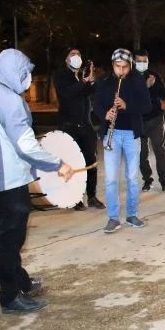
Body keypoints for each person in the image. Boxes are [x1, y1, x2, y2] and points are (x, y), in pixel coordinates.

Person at [0, 48, 73, 313]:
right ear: (16, 72)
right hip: (7, 182)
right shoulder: (9, 100)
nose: (28, 79)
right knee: (9, 241)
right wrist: (58, 164)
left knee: (6, 235)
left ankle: (21, 281)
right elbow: (26, 147)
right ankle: (10, 297)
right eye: (26, 73)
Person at [94, 48, 151, 233]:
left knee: (132, 177)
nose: (121, 71)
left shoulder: (137, 81)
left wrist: (127, 106)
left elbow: (146, 106)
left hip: (131, 134)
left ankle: (132, 214)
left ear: (130, 65)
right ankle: (113, 218)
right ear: (113, 66)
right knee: (111, 179)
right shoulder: (104, 82)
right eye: (118, 67)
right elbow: (96, 106)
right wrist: (105, 114)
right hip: (112, 134)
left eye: (125, 67)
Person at [53, 47, 105, 211]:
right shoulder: (62, 76)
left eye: (78, 54)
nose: (76, 57)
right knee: (74, 164)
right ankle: (76, 198)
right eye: (72, 54)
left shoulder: (80, 76)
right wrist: (83, 83)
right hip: (69, 127)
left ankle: (92, 196)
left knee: (91, 162)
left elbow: (93, 92)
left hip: (86, 125)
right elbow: (66, 94)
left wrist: (91, 80)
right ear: (66, 59)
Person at [135, 49, 165, 192]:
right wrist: (146, 86)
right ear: (133, 61)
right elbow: (131, 97)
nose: (142, 64)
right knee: (141, 153)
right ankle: (147, 179)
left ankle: (164, 179)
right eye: (139, 61)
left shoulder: (153, 75)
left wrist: (154, 85)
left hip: (155, 119)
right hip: (138, 121)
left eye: (145, 61)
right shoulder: (130, 78)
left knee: (160, 150)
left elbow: (164, 94)